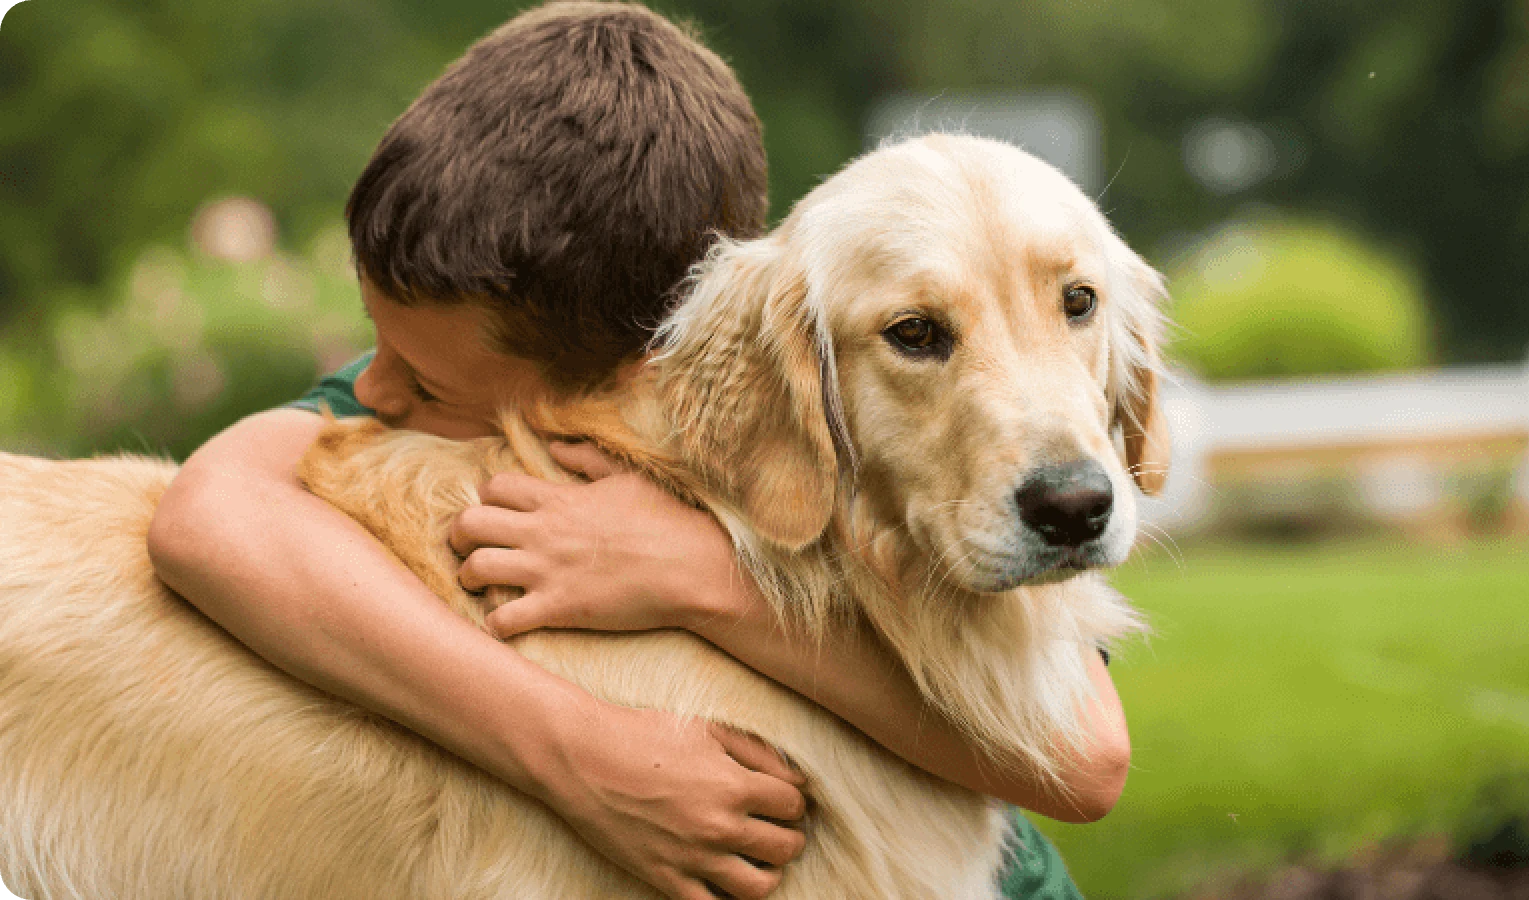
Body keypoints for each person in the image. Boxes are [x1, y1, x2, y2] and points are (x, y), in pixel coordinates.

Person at [146, 4, 1128, 899]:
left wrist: (702, 581)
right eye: (379, 342)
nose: (373, 389)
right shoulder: (472, 355)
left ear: (630, 373)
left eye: (425, 379)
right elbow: (209, 516)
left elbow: (1085, 761)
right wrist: (576, 750)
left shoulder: (768, 385)